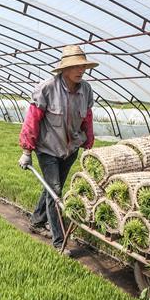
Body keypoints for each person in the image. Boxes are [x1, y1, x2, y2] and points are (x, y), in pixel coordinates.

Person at [18, 45, 97, 250]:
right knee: (55, 192)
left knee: (53, 188)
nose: (81, 70)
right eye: (76, 67)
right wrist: (27, 151)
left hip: (71, 149)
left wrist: (88, 143)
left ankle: (37, 220)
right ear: (64, 69)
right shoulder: (47, 88)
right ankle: (59, 241)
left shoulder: (86, 90)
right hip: (48, 149)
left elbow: (87, 117)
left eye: (83, 66)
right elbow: (32, 120)